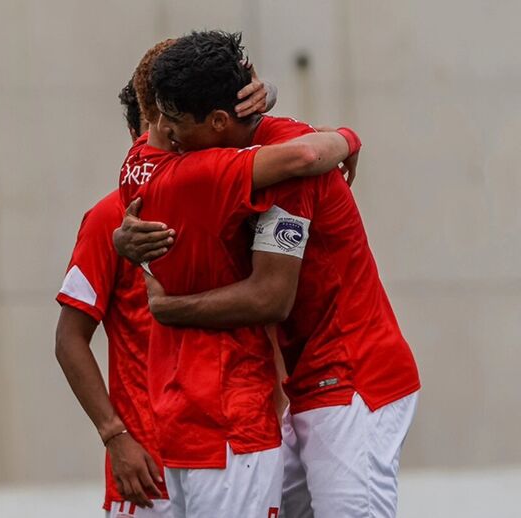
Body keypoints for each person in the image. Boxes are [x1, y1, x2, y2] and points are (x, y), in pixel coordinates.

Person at [119, 30, 421, 518]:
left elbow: (270, 297)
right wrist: (345, 136)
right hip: (311, 382)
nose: (167, 136)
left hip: (352, 375)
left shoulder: (290, 168)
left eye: (176, 123)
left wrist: (171, 309)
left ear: (218, 120)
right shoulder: (235, 154)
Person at [54, 42, 278, 517]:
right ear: (146, 127)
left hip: (223, 439)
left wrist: (266, 96)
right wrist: (116, 437)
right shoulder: (109, 219)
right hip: (146, 469)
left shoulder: (222, 194)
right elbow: (69, 338)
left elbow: (271, 302)